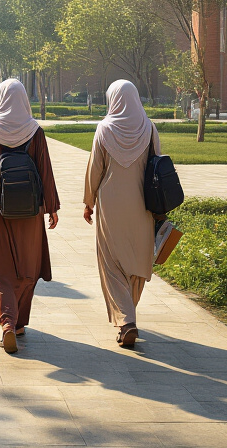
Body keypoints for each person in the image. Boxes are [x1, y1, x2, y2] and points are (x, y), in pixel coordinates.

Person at [0, 79, 60, 354]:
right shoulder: (35, 132)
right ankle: (18, 322)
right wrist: (52, 208)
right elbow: (44, 170)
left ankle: (8, 323)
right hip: (30, 213)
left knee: (0, 270)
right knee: (26, 268)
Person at [83, 80, 157, 348]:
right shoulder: (148, 128)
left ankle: (126, 320)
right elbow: (157, 164)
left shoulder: (104, 129)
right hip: (142, 205)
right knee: (137, 260)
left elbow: (95, 169)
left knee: (112, 263)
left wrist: (88, 202)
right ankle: (129, 312)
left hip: (110, 205)